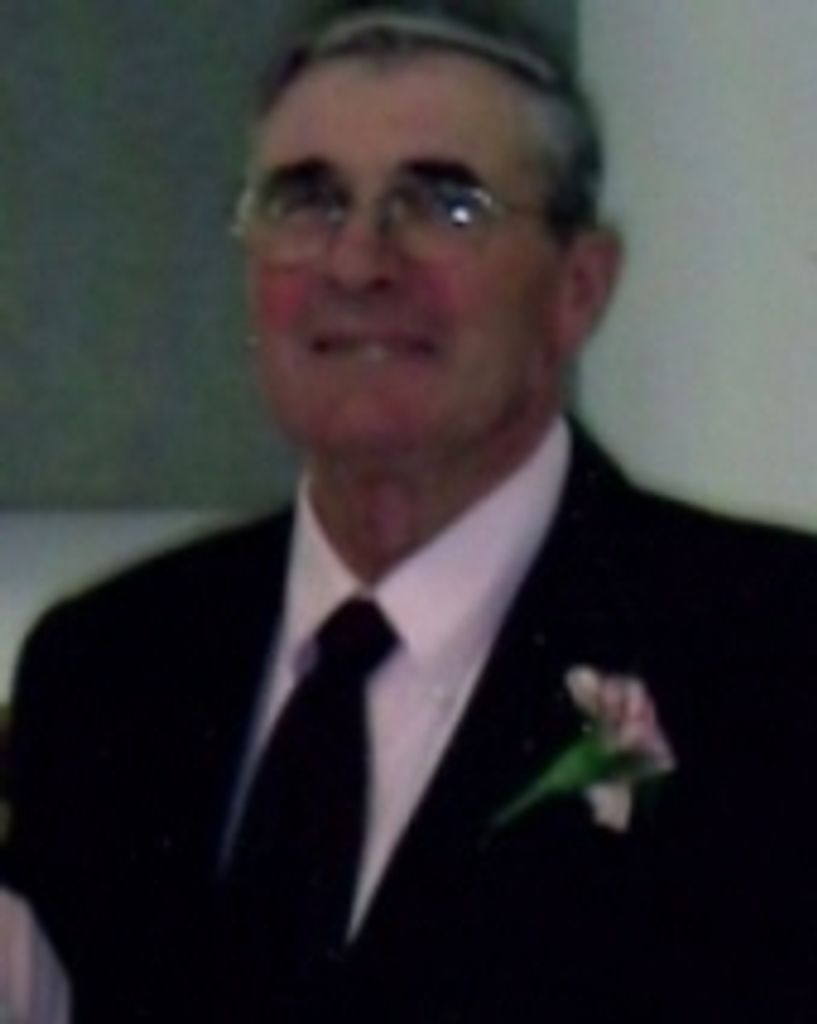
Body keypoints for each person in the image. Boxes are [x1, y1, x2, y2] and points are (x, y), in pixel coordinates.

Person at [6, 8, 817, 1023]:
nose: (357, 263)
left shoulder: (776, 653)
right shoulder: (108, 669)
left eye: (443, 204)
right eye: (306, 201)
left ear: (578, 288)